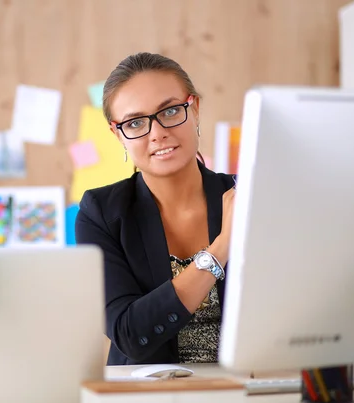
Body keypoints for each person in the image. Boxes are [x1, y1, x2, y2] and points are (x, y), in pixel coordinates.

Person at [75, 52, 236, 366]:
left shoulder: (247, 197)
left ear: (196, 109)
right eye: (135, 122)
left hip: (245, 391)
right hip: (146, 397)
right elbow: (129, 334)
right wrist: (219, 250)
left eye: (171, 111)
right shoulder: (100, 214)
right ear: (118, 134)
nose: (158, 132)